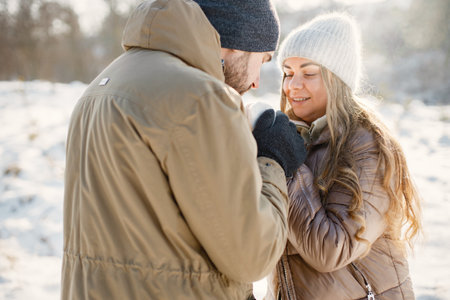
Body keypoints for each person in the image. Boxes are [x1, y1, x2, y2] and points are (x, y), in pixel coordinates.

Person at [61, 0, 306, 299]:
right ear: (238, 42)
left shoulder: (101, 87)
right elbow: (253, 255)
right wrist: (272, 158)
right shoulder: (199, 98)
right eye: (263, 60)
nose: (256, 81)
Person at [266, 13, 422, 300]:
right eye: (288, 73)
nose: (292, 86)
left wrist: (288, 166)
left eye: (309, 73)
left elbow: (331, 251)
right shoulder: (294, 137)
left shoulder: (366, 146)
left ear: (336, 80)